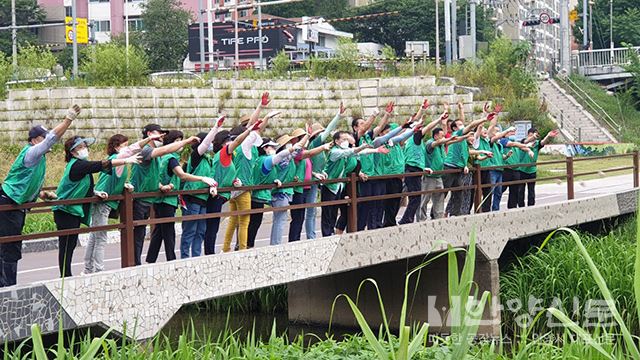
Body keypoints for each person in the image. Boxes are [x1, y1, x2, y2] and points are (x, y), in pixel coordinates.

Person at [0, 105, 80, 287]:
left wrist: (42, 194)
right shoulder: (32, 152)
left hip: (16, 203)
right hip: (9, 202)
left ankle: (6, 285)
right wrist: (68, 120)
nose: (46, 142)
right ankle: (8, 288)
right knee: (9, 245)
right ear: (35, 140)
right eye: (42, 138)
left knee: (9, 244)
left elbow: (28, 181)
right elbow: (51, 139)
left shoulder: (39, 157)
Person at [53, 136, 141, 277]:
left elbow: (85, 186)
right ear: (72, 151)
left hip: (74, 209)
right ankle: (65, 276)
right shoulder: (77, 165)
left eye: (84, 146)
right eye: (80, 147)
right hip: (65, 209)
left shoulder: (81, 165)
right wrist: (125, 160)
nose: (84, 149)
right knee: (66, 245)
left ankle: (70, 274)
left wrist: (96, 192)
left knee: (71, 244)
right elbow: (99, 165)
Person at [83, 133, 162, 274]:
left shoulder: (121, 163)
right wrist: (148, 140)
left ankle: (89, 269)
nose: (126, 148)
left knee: (95, 237)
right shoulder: (116, 159)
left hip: (105, 201)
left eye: (127, 144)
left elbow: (116, 179)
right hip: (102, 202)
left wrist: (125, 185)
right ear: (116, 147)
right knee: (100, 237)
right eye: (123, 145)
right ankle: (97, 271)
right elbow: (132, 149)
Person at [130, 124, 201, 265]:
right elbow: (167, 152)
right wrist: (186, 142)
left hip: (149, 198)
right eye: (159, 133)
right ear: (149, 133)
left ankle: (147, 261)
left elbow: (152, 176)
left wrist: (161, 186)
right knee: (140, 234)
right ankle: (136, 265)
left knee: (152, 232)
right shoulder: (147, 151)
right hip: (141, 198)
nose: (162, 136)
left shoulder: (156, 155)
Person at [145, 130, 217, 264]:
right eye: (177, 141)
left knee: (160, 231)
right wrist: (202, 178)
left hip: (166, 198)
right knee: (169, 232)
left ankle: (151, 259)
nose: (180, 144)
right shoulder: (171, 159)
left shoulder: (165, 157)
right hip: (168, 199)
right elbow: (182, 175)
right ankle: (174, 261)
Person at [222, 93, 275, 252]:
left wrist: (263, 113)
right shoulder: (245, 147)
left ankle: (226, 249)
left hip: (234, 187)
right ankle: (243, 249)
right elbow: (253, 128)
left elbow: (254, 128)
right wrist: (262, 110)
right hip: (244, 188)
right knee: (244, 221)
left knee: (233, 220)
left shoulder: (237, 148)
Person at [203, 121, 259, 255]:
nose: (230, 142)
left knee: (222, 223)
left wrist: (234, 180)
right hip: (218, 194)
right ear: (223, 143)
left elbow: (226, 173)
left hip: (224, 193)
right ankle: (239, 250)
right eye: (228, 140)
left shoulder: (225, 156)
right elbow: (238, 141)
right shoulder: (224, 153)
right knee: (214, 227)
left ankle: (223, 249)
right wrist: (248, 130)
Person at [321, 131, 385, 237]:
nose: (346, 141)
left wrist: (376, 150)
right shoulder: (335, 152)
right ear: (336, 141)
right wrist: (361, 147)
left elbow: (359, 153)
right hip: (329, 185)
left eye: (347, 139)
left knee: (334, 212)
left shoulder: (345, 151)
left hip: (338, 186)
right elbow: (353, 151)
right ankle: (327, 236)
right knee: (328, 213)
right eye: (343, 139)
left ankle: (331, 234)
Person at [180, 117, 225, 258]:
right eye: (210, 142)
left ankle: (196, 256)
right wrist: (215, 128)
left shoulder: (209, 159)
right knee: (190, 230)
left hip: (204, 199)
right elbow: (204, 145)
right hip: (192, 198)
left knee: (201, 230)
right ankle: (185, 258)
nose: (211, 145)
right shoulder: (196, 157)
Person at [399, 104, 448, 224]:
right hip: (412, 169)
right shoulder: (415, 138)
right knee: (416, 197)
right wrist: (438, 119)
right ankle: (406, 220)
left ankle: (407, 219)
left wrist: (421, 111)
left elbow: (413, 122)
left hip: (414, 168)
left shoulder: (413, 141)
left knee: (411, 197)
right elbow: (427, 127)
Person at [305, 103, 347, 239]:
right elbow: (328, 131)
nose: (323, 135)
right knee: (311, 211)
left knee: (317, 211)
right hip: (312, 180)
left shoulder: (322, 149)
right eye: (319, 134)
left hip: (318, 180)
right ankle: (312, 237)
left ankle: (316, 235)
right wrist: (338, 116)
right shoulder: (315, 144)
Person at [442, 108, 494, 217]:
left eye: (462, 124)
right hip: (450, 166)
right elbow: (471, 126)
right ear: (455, 128)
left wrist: (466, 164)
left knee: (459, 193)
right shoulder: (458, 133)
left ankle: (455, 215)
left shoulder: (465, 141)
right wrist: (485, 118)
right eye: (460, 124)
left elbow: (467, 153)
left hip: (460, 169)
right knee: (444, 192)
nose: (462, 125)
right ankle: (437, 214)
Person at [247, 138, 295, 247]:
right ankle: (247, 246)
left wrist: (273, 180)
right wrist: (292, 149)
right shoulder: (266, 160)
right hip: (258, 195)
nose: (274, 149)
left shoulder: (259, 159)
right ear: (264, 148)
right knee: (253, 224)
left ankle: (247, 245)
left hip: (256, 194)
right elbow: (279, 157)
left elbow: (263, 176)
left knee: (252, 223)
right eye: (271, 147)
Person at [352, 104, 394, 231]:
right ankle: (359, 230)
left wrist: (387, 114)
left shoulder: (368, 137)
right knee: (364, 205)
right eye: (361, 123)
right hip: (362, 175)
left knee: (375, 203)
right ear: (355, 127)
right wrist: (373, 115)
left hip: (372, 174)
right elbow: (364, 129)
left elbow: (379, 127)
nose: (365, 125)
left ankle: (373, 228)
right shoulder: (356, 137)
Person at [417, 128, 467, 221]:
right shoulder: (430, 144)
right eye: (441, 136)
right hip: (429, 177)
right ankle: (421, 219)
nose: (443, 138)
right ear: (435, 136)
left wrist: (466, 136)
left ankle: (438, 218)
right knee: (425, 199)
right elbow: (436, 143)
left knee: (439, 198)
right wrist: (448, 139)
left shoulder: (442, 145)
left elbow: (455, 140)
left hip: (439, 176)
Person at [516, 128, 559, 207]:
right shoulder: (522, 142)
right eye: (532, 135)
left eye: (536, 135)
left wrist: (548, 136)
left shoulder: (536, 144)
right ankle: (521, 207)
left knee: (531, 191)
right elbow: (525, 143)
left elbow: (543, 142)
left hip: (532, 170)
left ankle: (531, 207)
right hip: (522, 170)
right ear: (528, 134)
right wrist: (532, 140)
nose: (534, 137)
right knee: (520, 190)